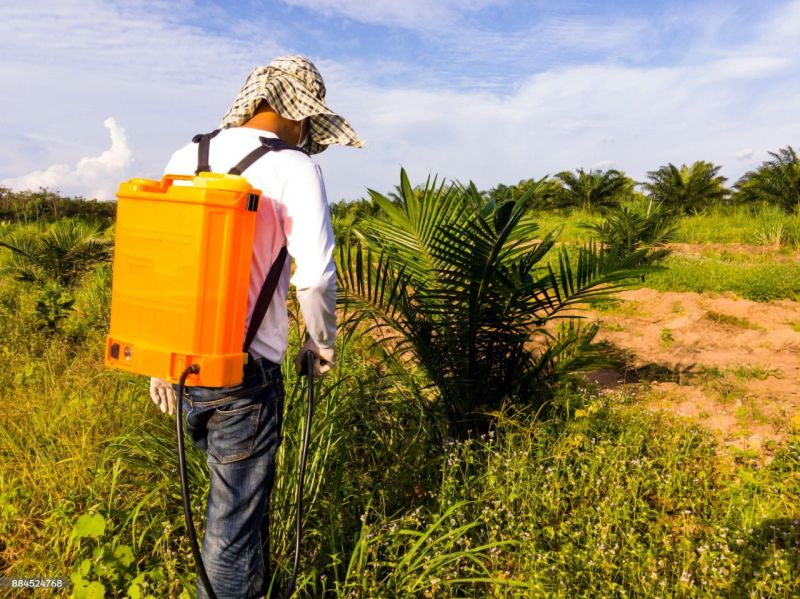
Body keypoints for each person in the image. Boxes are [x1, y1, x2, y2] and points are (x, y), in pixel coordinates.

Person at [148, 55, 363, 599]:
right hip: (246, 377)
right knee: (232, 533)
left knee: (231, 515)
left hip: (180, 367)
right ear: (298, 113)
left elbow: (163, 267)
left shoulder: (185, 154)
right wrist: (323, 345)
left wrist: (159, 362)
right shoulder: (294, 166)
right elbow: (313, 280)